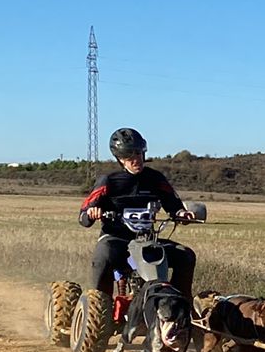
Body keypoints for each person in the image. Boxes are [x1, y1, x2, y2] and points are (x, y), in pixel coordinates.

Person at [78, 128, 198, 302]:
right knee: (103, 255)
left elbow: (173, 205)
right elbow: (83, 216)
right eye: (130, 156)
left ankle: (180, 305)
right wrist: (91, 213)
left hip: (148, 241)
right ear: (120, 159)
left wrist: (182, 214)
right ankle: (100, 306)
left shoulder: (156, 179)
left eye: (139, 153)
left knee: (185, 255)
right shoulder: (109, 180)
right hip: (116, 240)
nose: (136, 160)